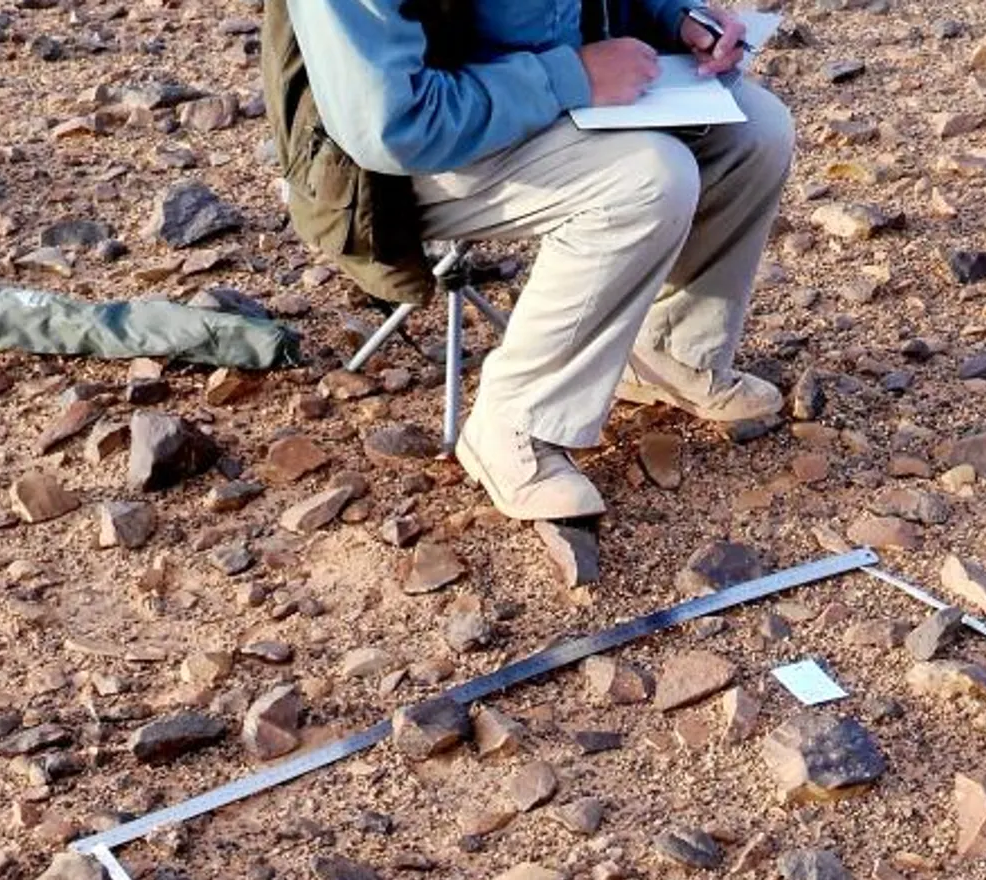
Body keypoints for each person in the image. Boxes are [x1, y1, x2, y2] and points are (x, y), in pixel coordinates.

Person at [262, 0, 794, 521]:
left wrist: (674, 17)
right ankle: (514, 427)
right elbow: (394, 125)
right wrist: (571, 78)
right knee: (648, 182)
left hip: (543, 93)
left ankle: (669, 351)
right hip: (390, 163)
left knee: (757, 131)